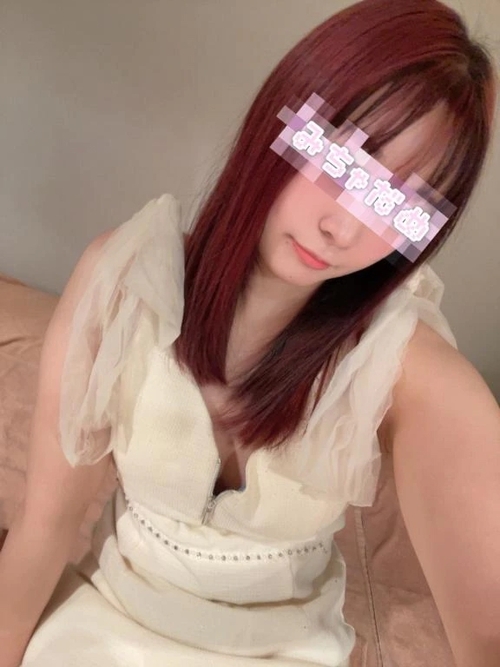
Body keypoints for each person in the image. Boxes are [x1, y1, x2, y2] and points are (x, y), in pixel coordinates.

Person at [1, 0, 499, 665]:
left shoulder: (407, 367)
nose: (344, 228)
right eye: (343, 161)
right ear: (284, 118)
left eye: (397, 204)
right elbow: (44, 528)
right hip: (104, 624)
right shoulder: (123, 282)